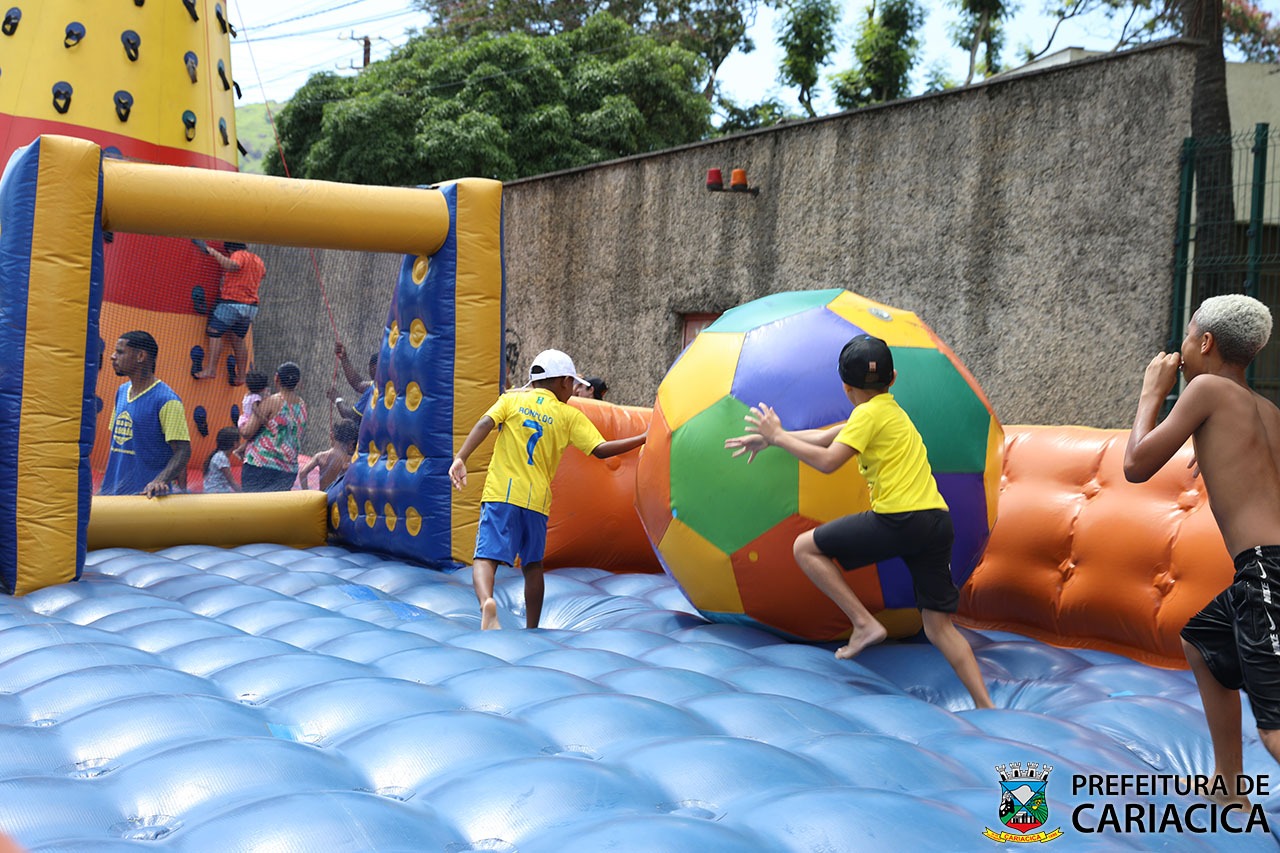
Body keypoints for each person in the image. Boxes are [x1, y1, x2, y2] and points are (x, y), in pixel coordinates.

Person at [724, 334, 994, 710]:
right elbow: (822, 438)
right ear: (893, 378)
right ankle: (986, 706)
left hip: (900, 518)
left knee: (805, 547)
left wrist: (780, 438)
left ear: (846, 388)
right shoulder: (888, 411)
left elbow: (827, 461)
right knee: (938, 628)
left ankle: (864, 623)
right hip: (935, 522)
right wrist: (772, 439)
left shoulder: (866, 416)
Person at [1124, 294, 1280, 804]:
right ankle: (1231, 785)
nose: (1182, 348)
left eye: (1188, 337)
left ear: (1205, 343)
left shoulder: (1206, 389)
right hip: (1263, 569)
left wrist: (1153, 393)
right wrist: (1209, 455)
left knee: (1275, 728)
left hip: (1267, 570)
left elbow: (1135, 466)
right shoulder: (1267, 410)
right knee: (1203, 641)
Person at [449, 349, 647, 630]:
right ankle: (532, 627)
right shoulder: (568, 415)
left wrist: (461, 458)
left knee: (485, 558)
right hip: (536, 502)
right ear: (564, 382)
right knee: (532, 566)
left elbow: (485, 423)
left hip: (501, 494)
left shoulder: (512, 399)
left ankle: (486, 603)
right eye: (573, 384)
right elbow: (601, 450)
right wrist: (641, 438)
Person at [100, 330, 191, 497]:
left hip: (145, 500)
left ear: (140, 356)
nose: (113, 357)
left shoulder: (167, 401)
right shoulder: (121, 391)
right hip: (113, 496)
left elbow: (183, 450)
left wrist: (160, 480)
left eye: (120, 352)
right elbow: (119, 445)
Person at [194, 241, 265, 385]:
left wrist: (213, 252)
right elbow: (263, 274)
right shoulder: (258, 260)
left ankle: (211, 369)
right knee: (237, 339)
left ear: (231, 249)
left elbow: (233, 265)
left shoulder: (238, 255)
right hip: (250, 307)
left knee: (214, 331)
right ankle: (241, 376)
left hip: (233, 302)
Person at [240, 362, 307, 492]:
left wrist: (242, 420)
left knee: (253, 509)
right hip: (287, 470)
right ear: (298, 382)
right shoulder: (303, 406)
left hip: (261, 465)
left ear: (276, 378)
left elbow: (247, 432)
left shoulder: (272, 401)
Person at [298, 418, 359, 490]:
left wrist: (306, 493)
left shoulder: (321, 456)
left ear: (331, 436)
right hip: (338, 499)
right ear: (351, 444)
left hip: (323, 497)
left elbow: (302, 473)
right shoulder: (350, 461)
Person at [330, 342, 378, 421]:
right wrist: (344, 358)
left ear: (373, 368)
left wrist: (337, 399)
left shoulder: (375, 390)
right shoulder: (387, 385)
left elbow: (350, 415)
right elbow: (358, 384)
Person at [234, 370, 270, 457]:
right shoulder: (256, 397)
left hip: (243, 419)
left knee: (251, 439)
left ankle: (241, 451)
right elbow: (255, 409)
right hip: (248, 421)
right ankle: (239, 450)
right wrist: (263, 419)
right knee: (257, 435)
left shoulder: (247, 395)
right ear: (262, 388)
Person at [203, 426, 241, 493]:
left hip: (214, 490)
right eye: (239, 441)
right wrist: (243, 493)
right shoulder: (221, 458)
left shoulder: (218, 455)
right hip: (217, 492)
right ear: (235, 444)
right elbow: (231, 481)